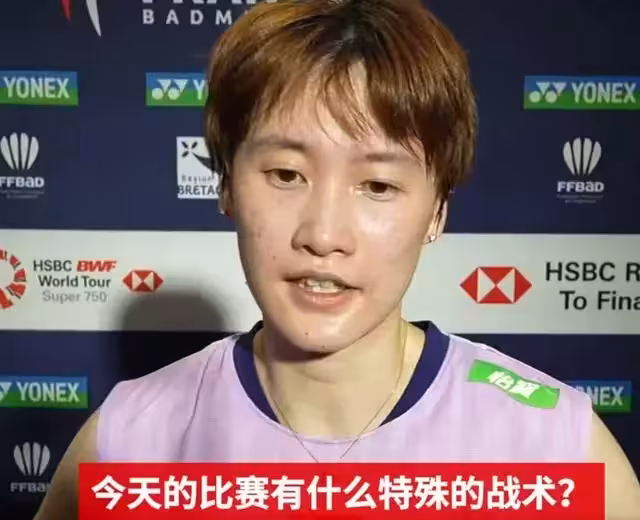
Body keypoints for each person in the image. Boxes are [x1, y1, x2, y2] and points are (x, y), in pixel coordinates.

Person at [34, 0, 640, 518]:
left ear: (437, 212)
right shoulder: (128, 440)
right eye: (285, 174)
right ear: (226, 185)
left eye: (377, 185)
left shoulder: (554, 445)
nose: (323, 235)